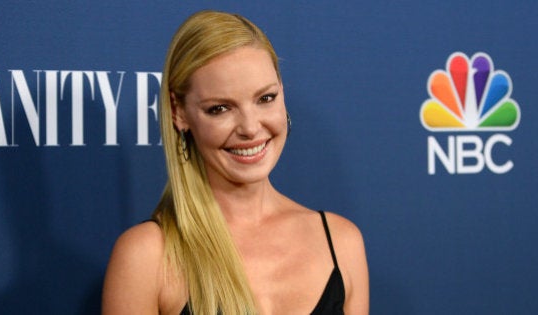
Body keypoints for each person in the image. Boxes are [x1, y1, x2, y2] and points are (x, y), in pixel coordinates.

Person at [102, 10, 369, 315]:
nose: (250, 128)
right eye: (220, 108)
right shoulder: (146, 257)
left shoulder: (341, 242)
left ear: (282, 91)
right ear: (179, 113)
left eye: (265, 99)